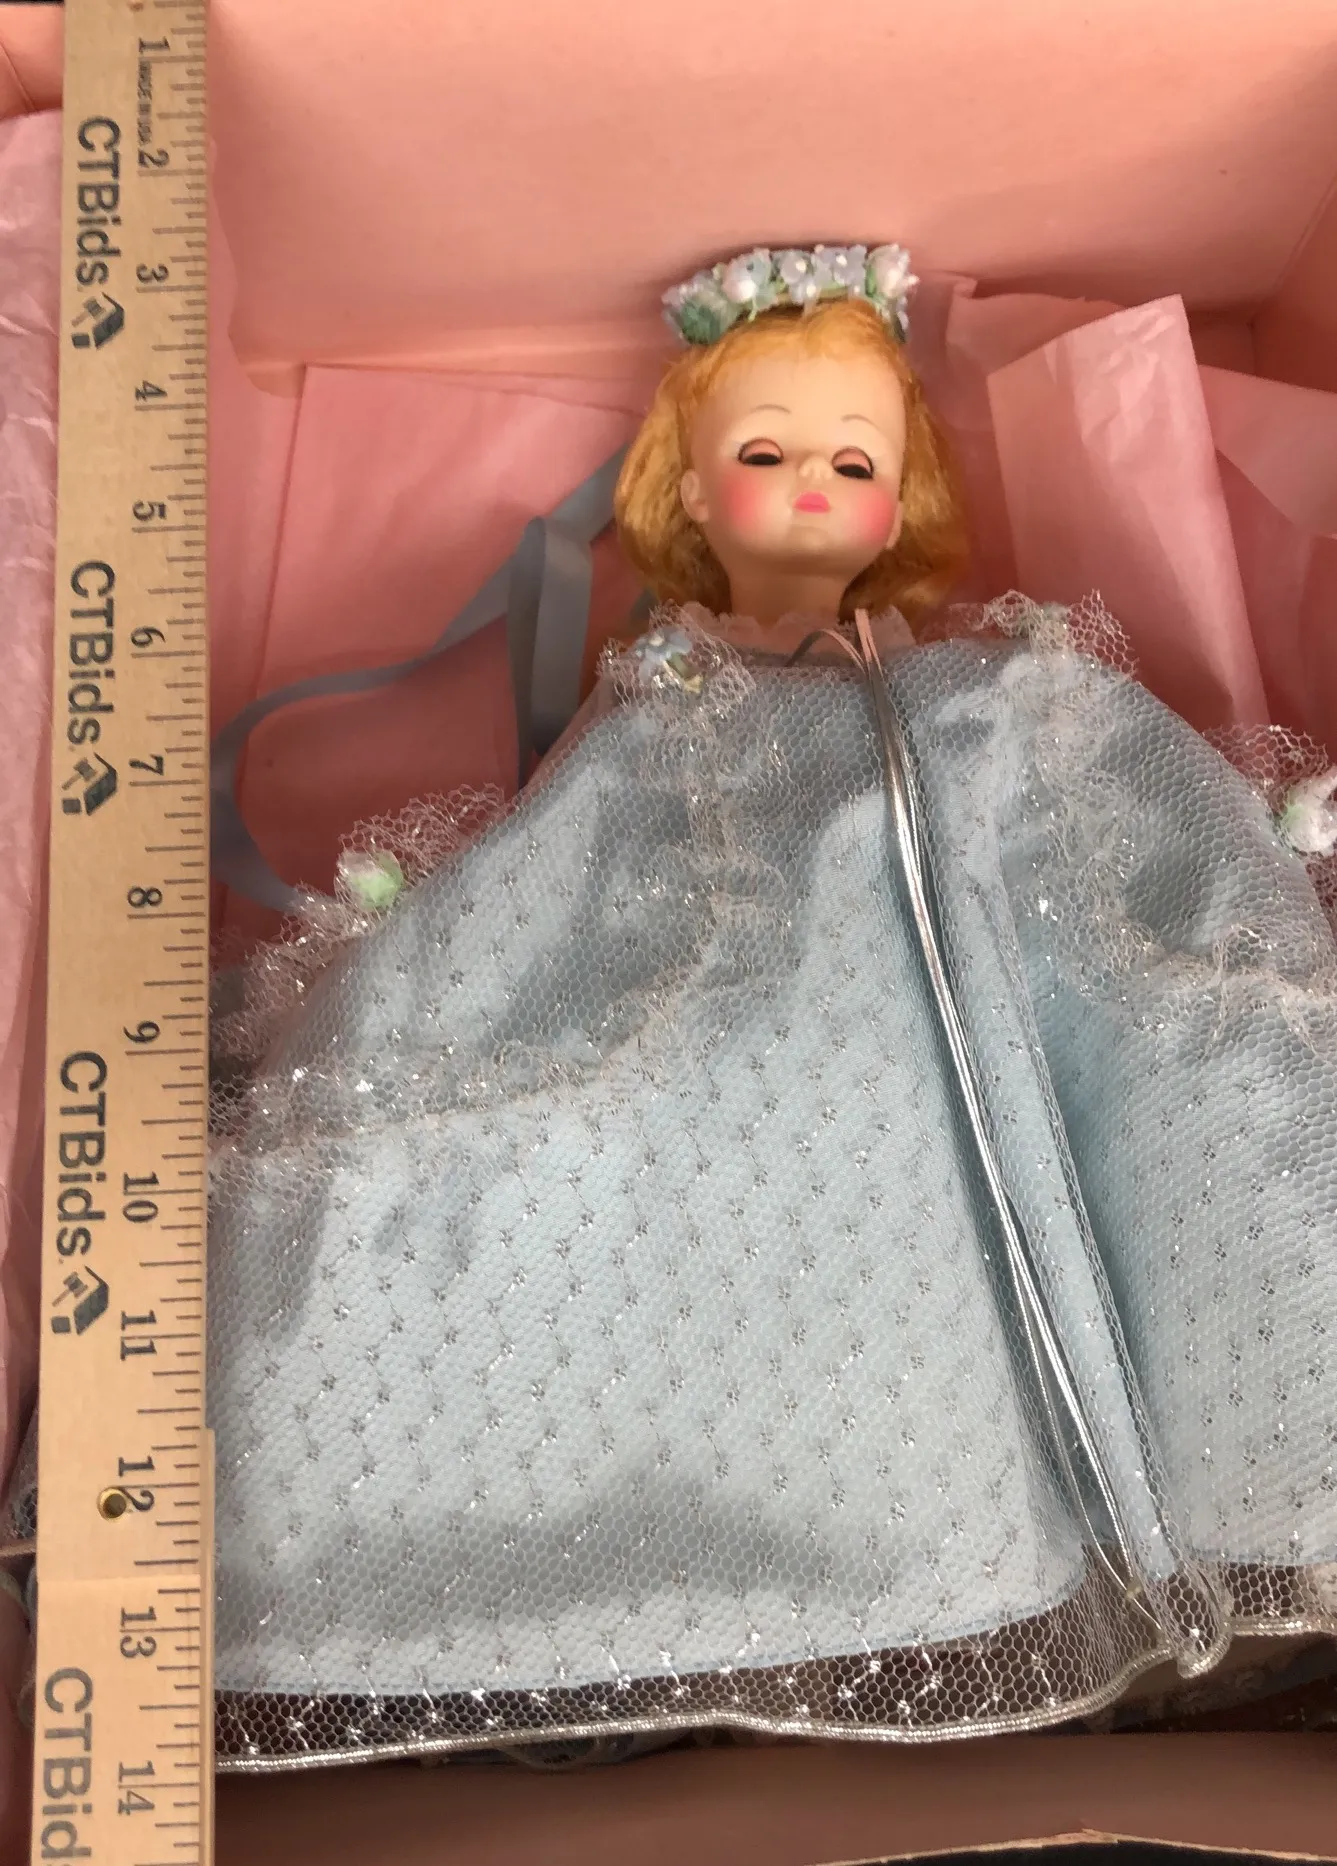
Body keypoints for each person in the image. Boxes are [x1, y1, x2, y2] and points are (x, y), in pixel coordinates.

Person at [208, 246, 1337, 1767]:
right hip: (782, 1043)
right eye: (766, 452)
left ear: (899, 493)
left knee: (1207, 1096)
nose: (813, 481)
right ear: (690, 482)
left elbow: (1064, 819)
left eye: (853, 459)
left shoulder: (973, 678)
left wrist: (1181, 819)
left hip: (992, 1014)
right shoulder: (672, 697)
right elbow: (586, 870)